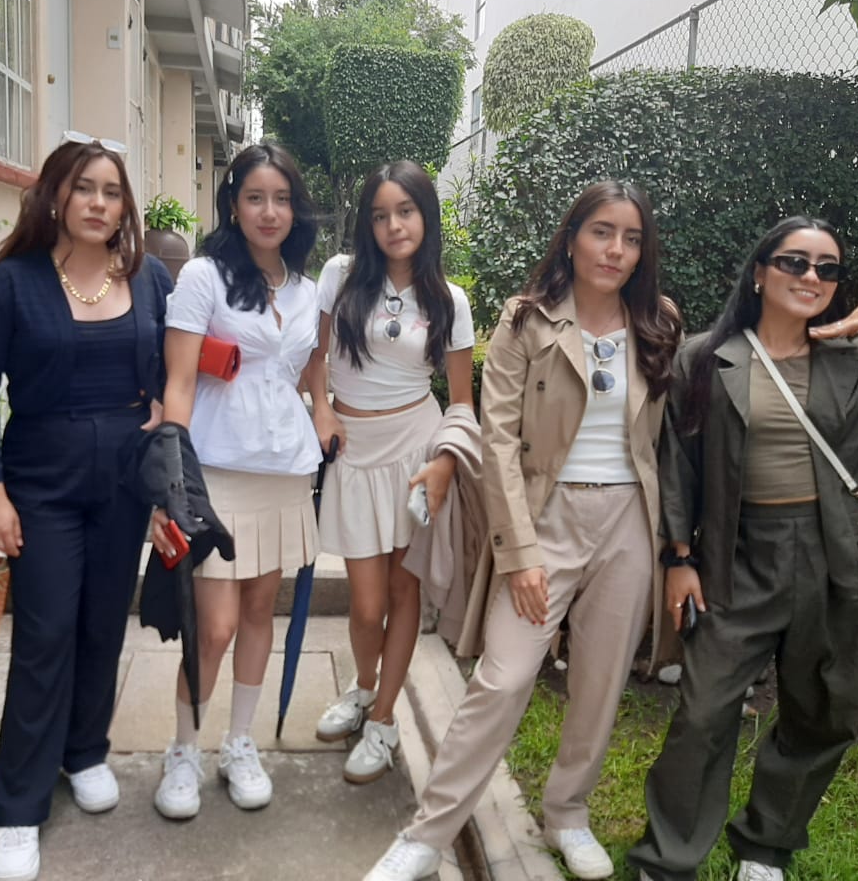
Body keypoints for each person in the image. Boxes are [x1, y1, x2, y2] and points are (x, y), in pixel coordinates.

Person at [627, 216, 858, 881]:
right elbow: (678, 461)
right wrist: (678, 559)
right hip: (736, 562)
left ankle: (767, 847)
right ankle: (669, 855)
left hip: (840, 563)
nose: (812, 278)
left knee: (822, 713)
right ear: (760, 272)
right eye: (795, 262)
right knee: (703, 713)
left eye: (828, 269)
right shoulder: (706, 357)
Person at [366, 180, 682, 881]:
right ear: (572, 237)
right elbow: (498, 440)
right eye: (603, 231)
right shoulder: (526, 319)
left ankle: (568, 812)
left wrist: (675, 548)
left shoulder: (658, 320)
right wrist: (521, 554)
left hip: (629, 520)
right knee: (503, 680)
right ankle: (428, 834)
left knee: (599, 683)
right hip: (544, 516)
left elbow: (669, 445)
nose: (616, 250)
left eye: (631, 238)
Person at [0, 133, 172, 881]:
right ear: (55, 194)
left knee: (102, 621)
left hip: (122, 477)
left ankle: (84, 751)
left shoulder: (147, 280)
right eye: (85, 187)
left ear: (125, 207)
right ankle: (18, 807)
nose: (98, 203)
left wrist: (163, 412)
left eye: (112, 192)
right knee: (45, 631)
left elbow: (176, 363)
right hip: (40, 477)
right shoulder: (11, 283)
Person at [149, 142, 320, 821]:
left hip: (284, 468)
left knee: (257, 615)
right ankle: (184, 749)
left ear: (295, 208)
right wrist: (174, 481)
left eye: (281, 198)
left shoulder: (307, 289)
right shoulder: (202, 276)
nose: (269, 211)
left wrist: (327, 409)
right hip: (215, 467)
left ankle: (239, 743)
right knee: (213, 626)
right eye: (255, 197)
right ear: (233, 204)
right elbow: (180, 380)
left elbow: (309, 369)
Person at [306, 160, 476, 784]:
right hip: (354, 450)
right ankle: (364, 684)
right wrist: (322, 409)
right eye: (379, 215)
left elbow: (461, 400)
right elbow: (314, 356)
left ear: (426, 217)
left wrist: (445, 464)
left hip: (415, 452)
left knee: (404, 593)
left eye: (404, 211)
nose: (393, 225)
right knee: (364, 602)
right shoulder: (341, 276)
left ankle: (383, 719)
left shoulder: (449, 300)